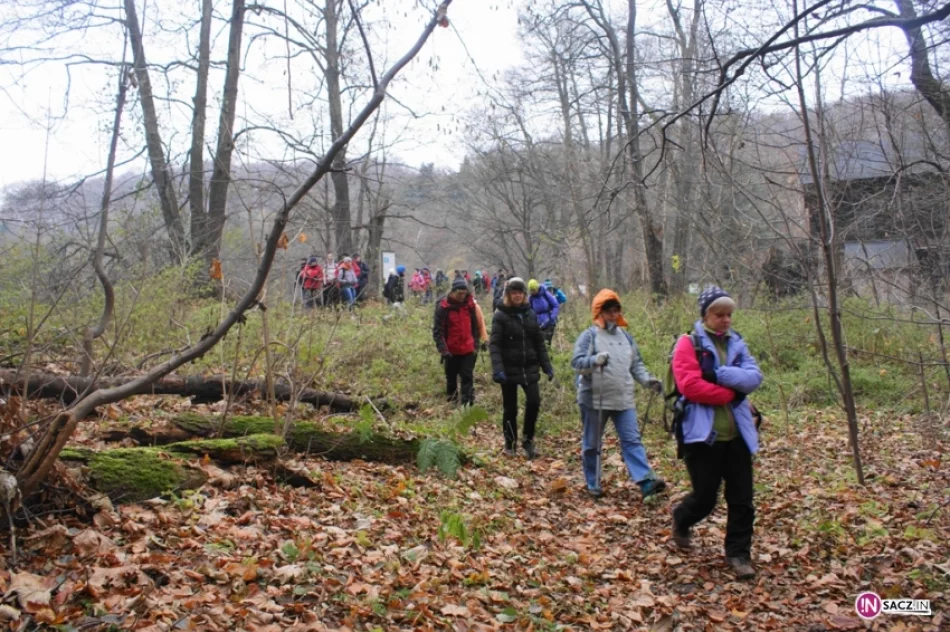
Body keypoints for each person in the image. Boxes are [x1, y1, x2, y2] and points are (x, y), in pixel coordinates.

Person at [670, 286, 763, 580]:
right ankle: (682, 518)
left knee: (742, 500)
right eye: (718, 314)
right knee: (705, 497)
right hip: (702, 437)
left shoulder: (737, 344)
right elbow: (690, 386)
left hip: (737, 436)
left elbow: (754, 378)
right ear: (705, 315)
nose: (725, 320)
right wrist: (730, 395)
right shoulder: (688, 344)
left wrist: (718, 375)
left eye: (729, 315)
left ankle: (738, 554)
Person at [571, 289, 667, 500]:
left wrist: (648, 381)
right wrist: (594, 360)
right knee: (592, 443)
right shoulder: (589, 336)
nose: (613, 315)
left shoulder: (626, 337)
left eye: (616, 310)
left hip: (623, 398)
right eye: (608, 310)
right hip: (594, 399)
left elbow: (636, 365)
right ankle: (593, 482)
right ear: (599, 312)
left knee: (632, 440)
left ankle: (646, 481)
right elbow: (577, 363)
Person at [489, 277, 553, 459]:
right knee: (510, 408)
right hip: (508, 370)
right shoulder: (500, 315)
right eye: (514, 292)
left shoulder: (529, 313)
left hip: (529, 367)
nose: (517, 295)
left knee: (534, 402)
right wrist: (498, 369)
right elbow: (494, 345)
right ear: (508, 294)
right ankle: (510, 444)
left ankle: (528, 441)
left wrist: (546, 365)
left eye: (520, 292)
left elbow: (539, 342)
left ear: (524, 294)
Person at [433, 277, 489, 406]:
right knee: (451, 380)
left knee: (467, 378)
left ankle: (467, 405)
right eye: (458, 294)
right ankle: (452, 404)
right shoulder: (443, 308)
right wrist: (443, 350)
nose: (461, 296)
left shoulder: (471, 306)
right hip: (450, 351)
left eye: (464, 294)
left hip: (468, 350)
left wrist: (476, 345)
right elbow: (438, 332)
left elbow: (477, 326)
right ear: (452, 292)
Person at [528, 279, 560, 345]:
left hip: (549, 322)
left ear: (537, 288)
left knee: (546, 343)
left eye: (534, 290)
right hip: (537, 324)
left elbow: (555, 305)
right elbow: (528, 310)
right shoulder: (530, 298)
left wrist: (552, 316)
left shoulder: (545, 294)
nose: (533, 292)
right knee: (538, 344)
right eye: (531, 290)